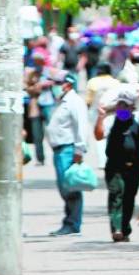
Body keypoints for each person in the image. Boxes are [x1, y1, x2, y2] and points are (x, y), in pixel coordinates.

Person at [94, 89, 139, 242]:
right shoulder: (110, 120)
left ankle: (125, 229)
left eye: (126, 106)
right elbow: (98, 135)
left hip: (133, 167)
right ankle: (117, 229)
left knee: (129, 198)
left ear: (132, 108)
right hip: (114, 167)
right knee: (116, 196)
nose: (122, 108)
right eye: (120, 105)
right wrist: (101, 117)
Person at [45, 72, 88, 236]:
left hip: (68, 150)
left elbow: (81, 127)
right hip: (59, 150)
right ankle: (71, 221)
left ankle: (72, 224)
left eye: (56, 83)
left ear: (67, 84)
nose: (53, 86)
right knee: (64, 187)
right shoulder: (62, 101)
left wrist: (79, 150)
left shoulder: (74, 102)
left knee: (70, 188)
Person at [23, 52, 56, 165]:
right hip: (35, 105)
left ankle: (57, 153)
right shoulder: (30, 73)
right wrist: (36, 87)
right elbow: (25, 88)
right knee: (37, 134)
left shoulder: (50, 71)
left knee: (52, 130)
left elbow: (60, 81)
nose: (38, 63)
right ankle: (40, 158)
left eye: (40, 60)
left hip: (49, 104)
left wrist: (49, 83)